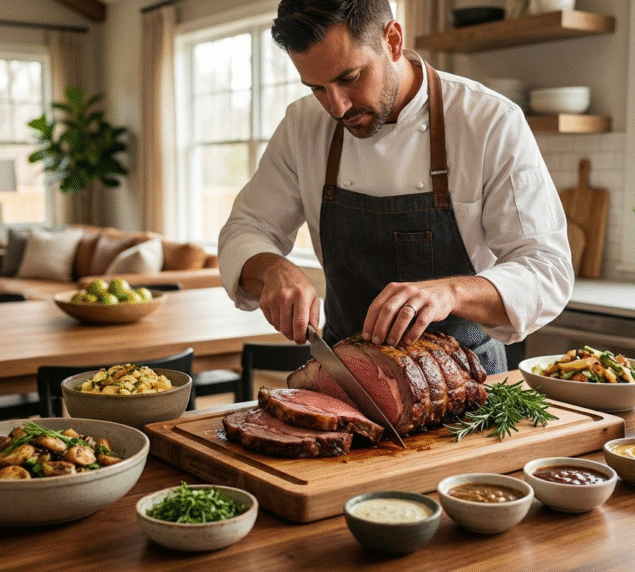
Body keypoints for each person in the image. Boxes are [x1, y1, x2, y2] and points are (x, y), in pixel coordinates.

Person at [217, 0, 573, 374]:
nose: (337, 107)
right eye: (317, 88)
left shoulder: (488, 121)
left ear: (393, 39)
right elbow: (246, 229)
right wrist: (272, 268)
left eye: (349, 77)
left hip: (470, 383)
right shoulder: (302, 125)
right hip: (348, 378)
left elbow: (546, 270)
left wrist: (450, 292)